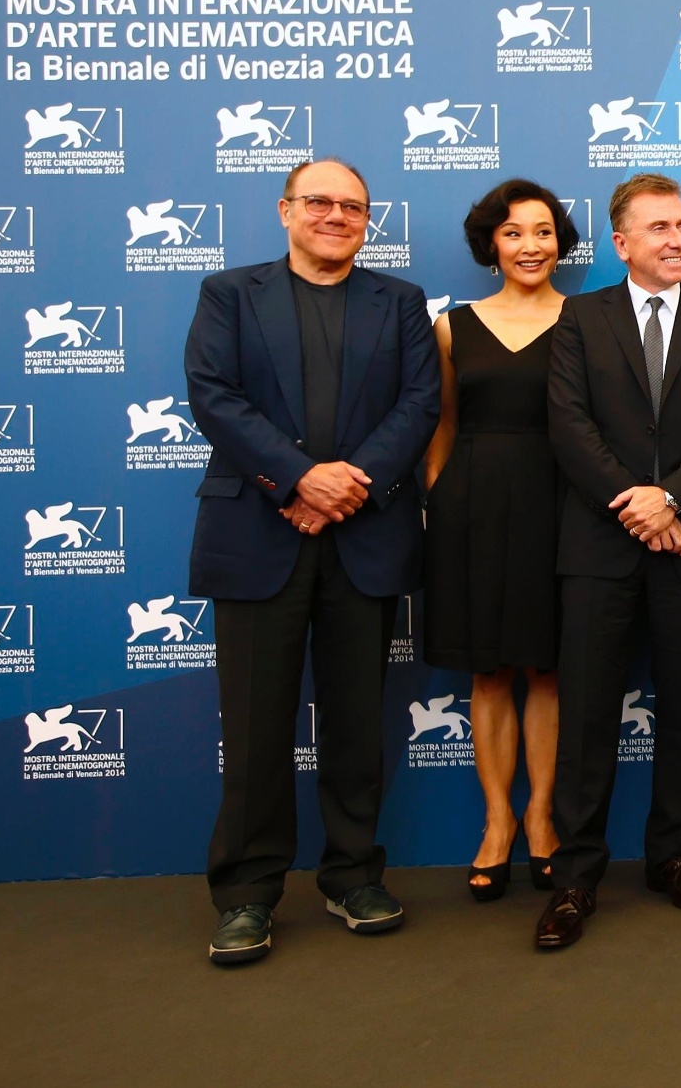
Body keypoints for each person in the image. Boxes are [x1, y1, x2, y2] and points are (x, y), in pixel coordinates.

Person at [185, 158, 441, 964]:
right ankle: (248, 895)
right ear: (286, 210)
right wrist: (298, 478)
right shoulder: (230, 294)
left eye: (353, 206)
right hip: (259, 537)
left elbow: (419, 404)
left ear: (368, 219)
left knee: (358, 722)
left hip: (362, 539)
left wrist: (343, 488)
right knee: (257, 728)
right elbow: (213, 395)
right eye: (320, 202)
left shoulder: (398, 302)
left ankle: (353, 874)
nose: (337, 215)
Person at [536, 172, 681, 949]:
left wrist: (673, 501)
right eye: (659, 228)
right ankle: (575, 879)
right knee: (589, 714)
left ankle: (671, 858)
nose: (678, 240)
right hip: (600, 546)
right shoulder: (580, 318)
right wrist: (636, 504)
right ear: (622, 242)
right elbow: (568, 425)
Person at [423, 179, 577, 901]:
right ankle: (497, 823)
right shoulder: (453, 326)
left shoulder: (585, 322)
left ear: (560, 243)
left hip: (559, 504)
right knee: (489, 671)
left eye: (543, 232)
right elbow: (442, 425)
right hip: (471, 509)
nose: (530, 246)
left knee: (547, 668)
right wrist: (438, 500)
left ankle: (543, 819)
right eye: (514, 233)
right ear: (492, 243)